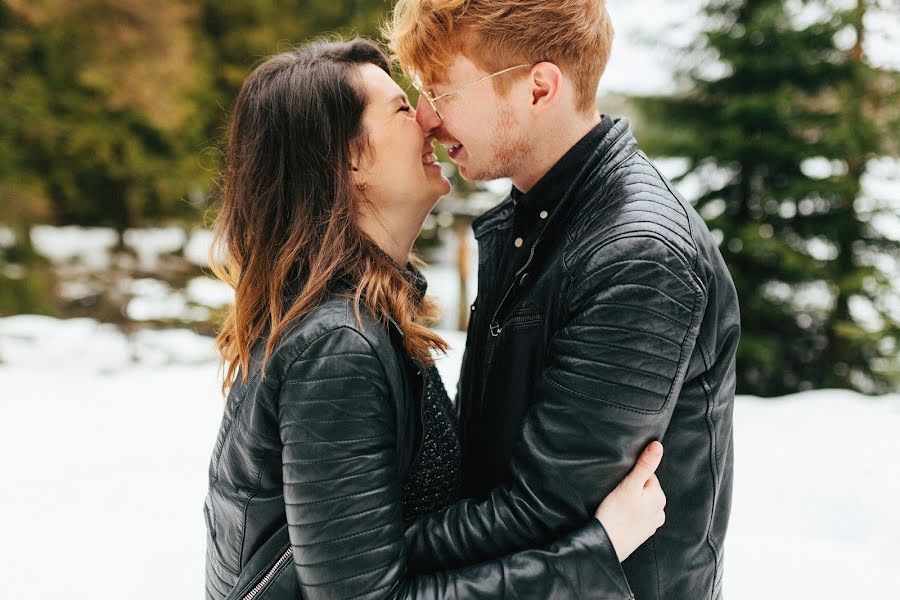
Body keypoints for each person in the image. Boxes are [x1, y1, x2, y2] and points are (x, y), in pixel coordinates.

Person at [203, 38, 666, 600]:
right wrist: (599, 547)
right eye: (402, 108)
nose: (427, 118)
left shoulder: (365, 318)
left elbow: (385, 544)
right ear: (348, 160)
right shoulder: (337, 347)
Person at [385, 1, 741, 598]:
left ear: (539, 87)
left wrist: (356, 548)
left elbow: (541, 511)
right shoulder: (537, 220)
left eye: (441, 91)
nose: (425, 117)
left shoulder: (638, 256)